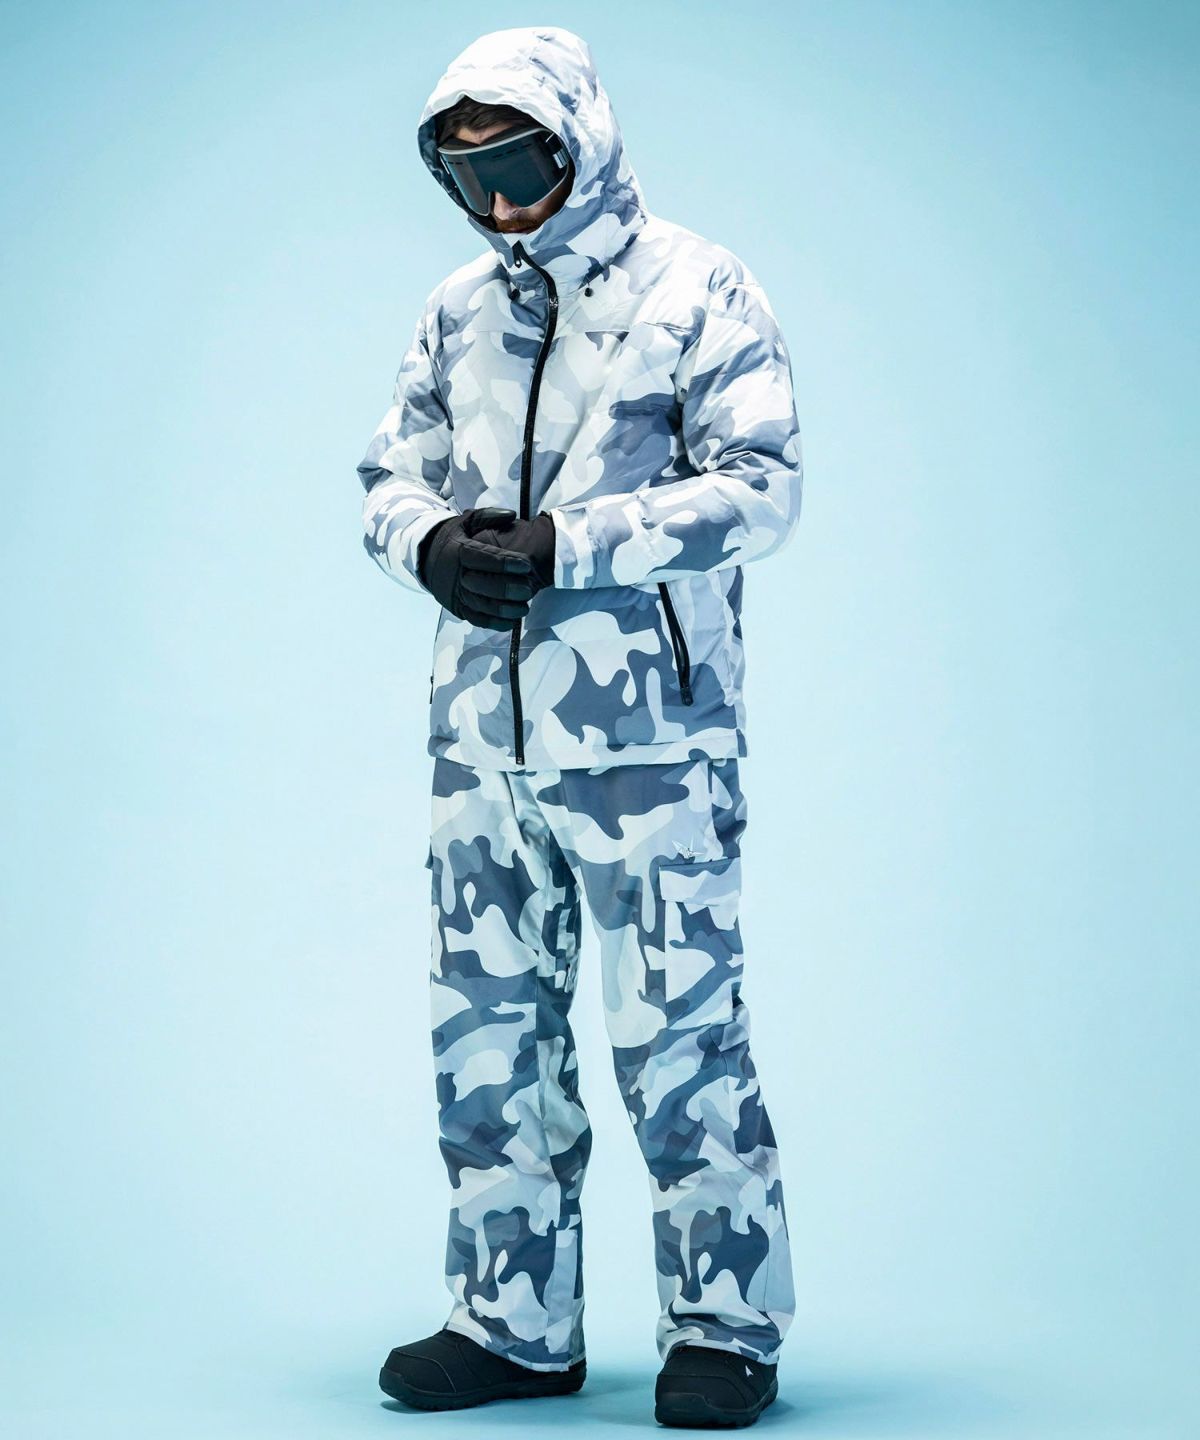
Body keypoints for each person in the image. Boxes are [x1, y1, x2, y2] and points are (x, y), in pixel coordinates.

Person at [356, 25, 804, 1430]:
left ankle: (725, 1330)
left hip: (651, 752)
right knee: (489, 1037)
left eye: (520, 165)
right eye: (466, 177)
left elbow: (762, 487)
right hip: (481, 748)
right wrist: (427, 545)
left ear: (583, 142)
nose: (498, 204)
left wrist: (575, 544)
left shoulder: (700, 287)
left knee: (680, 1036)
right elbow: (388, 475)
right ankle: (511, 1323)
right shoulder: (456, 312)